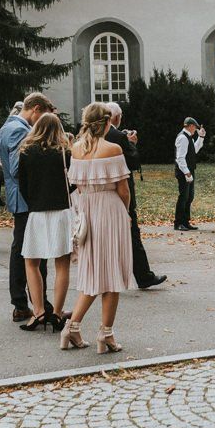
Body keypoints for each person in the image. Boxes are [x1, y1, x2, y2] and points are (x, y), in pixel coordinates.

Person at [61, 103, 136, 353]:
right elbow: (123, 190)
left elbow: (78, 187)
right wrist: (125, 213)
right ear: (106, 123)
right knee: (112, 274)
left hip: (88, 210)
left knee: (94, 273)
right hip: (110, 210)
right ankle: (106, 334)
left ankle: (72, 327)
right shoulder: (113, 149)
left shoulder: (76, 149)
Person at [0, 92, 55, 322]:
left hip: (19, 198)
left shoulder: (7, 126)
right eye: (42, 116)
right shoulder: (20, 131)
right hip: (26, 199)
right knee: (33, 253)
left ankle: (27, 303)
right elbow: (16, 168)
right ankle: (31, 304)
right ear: (36, 109)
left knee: (23, 250)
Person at [17, 113, 74, 332]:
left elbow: (22, 184)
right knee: (62, 264)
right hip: (61, 211)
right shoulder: (64, 152)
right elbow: (73, 182)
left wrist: (34, 200)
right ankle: (57, 313)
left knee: (31, 262)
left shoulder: (27, 152)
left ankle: (39, 311)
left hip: (37, 212)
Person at [104, 102, 166, 289]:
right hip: (121, 190)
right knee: (132, 234)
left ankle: (108, 275)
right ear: (117, 117)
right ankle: (143, 276)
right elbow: (133, 162)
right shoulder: (118, 137)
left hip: (100, 192)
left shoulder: (93, 135)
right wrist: (131, 143)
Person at [174, 117, 206, 231]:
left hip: (189, 170)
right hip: (184, 171)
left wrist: (201, 137)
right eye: (195, 128)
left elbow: (195, 149)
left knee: (189, 197)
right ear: (191, 126)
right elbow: (180, 158)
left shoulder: (189, 138)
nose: (195, 130)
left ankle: (185, 221)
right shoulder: (183, 138)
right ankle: (178, 223)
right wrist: (187, 172)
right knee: (183, 196)